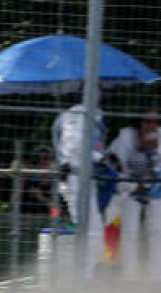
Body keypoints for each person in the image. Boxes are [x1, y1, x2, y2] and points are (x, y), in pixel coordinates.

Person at [106, 109, 161, 282]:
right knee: (130, 232)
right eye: (147, 121)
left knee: (157, 232)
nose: (151, 125)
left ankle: (158, 277)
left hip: (158, 191)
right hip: (131, 191)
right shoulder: (125, 137)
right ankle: (129, 276)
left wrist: (159, 148)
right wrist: (131, 186)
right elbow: (112, 165)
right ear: (139, 122)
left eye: (155, 121)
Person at [52, 103, 107, 279]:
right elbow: (74, 145)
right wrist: (97, 158)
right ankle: (84, 276)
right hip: (75, 178)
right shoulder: (76, 115)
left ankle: (89, 273)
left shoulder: (89, 113)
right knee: (88, 227)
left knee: (94, 226)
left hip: (84, 177)